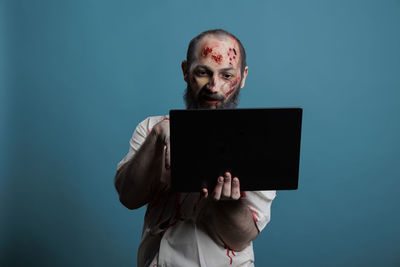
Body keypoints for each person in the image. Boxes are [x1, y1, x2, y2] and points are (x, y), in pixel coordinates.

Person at [114, 29, 276, 267]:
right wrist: (157, 137)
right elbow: (129, 198)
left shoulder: (257, 141)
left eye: (227, 75)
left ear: (243, 76)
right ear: (185, 71)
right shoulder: (151, 128)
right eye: (203, 72)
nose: (213, 86)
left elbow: (240, 239)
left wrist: (228, 205)